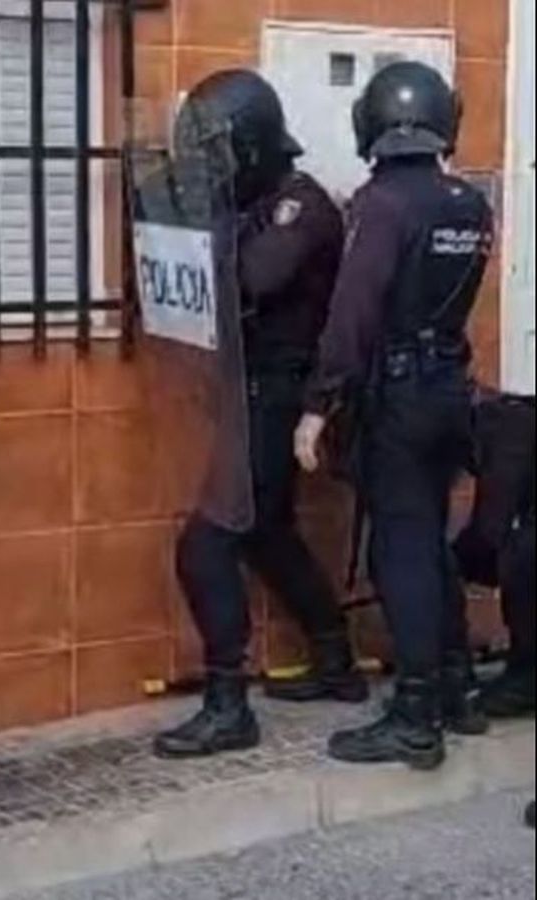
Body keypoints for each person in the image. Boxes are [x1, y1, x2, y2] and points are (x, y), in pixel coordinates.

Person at [151, 70, 369, 762]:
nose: (208, 169)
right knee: (267, 532)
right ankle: (334, 657)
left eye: (215, 155)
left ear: (249, 148)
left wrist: (199, 218)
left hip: (281, 397)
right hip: (250, 391)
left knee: (207, 544)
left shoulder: (300, 209)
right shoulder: (252, 202)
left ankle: (228, 705)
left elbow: (249, 280)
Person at [294, 61, 494, 771]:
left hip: (401, 398)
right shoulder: (469, 204)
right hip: (449, 391)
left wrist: (318, 405)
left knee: (399, 550)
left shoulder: (381, 204)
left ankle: (415, 716)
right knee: (428, 542)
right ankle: (457, 687)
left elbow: (353, 312)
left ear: (372, 123)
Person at [454, 390, 536, 719]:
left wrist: (456, 565)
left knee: (522, 552)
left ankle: (526, 678)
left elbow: (491, 526)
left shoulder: (506, 424)